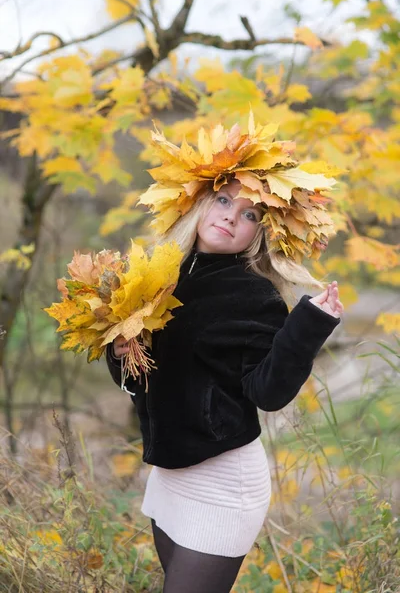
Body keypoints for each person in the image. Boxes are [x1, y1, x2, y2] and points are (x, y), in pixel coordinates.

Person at [106, 121, 344, 593]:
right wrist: (119, 351)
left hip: (222, 481)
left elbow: (268, 392)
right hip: (169, 476)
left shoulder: (252, 295)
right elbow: (140, 380)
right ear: (199, 203)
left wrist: (308, 325)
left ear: (258, 234)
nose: (232, 217)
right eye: (223, 200)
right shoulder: (158, 277)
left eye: (251, 214)